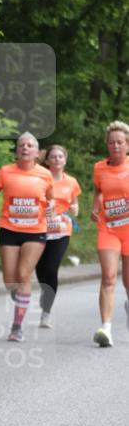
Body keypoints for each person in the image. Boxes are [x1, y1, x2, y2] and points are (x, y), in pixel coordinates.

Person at [0, 133, 54, 341]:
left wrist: (50, 208)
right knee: (10, 281)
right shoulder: (6, 172)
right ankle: (21, 297)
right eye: (21, 145)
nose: (25, 148)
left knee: (24, 275)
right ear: (17, 151)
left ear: (36, 152)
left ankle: (17, 327)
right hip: (9, 229)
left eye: (30, 145)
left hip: (35, 231)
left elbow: (50, 200)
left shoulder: (45, 174)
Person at [90, 120, 129, 348]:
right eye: (112, 142)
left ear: (127, 145)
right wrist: (95, 208)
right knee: (108, 277)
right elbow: (98, 192)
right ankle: (106, 328)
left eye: (120, 142)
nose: (115, 146)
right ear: (107, 144)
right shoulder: (99, 168)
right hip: (108, 229)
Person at [35, 145, 81, 328]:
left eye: (60, 156)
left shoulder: (71, 182)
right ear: (47, 161)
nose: (57, 160)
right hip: (40, 229)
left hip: (61, 231)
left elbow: (74, 203)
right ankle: (46, 292)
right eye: (53, 157)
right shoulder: (40, 179)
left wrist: (75, 209)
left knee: (52, 269)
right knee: (40, 270)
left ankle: (46, 313)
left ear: (65, 160)